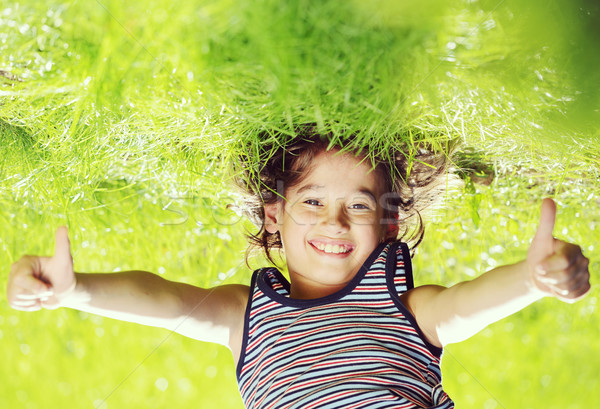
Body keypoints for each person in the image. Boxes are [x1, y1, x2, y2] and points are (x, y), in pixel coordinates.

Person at [6, 132, 591, 409]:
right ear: (274, 218)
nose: (335, 223)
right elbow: (164, 300)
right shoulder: (248, 319)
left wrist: (530, 279)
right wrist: (77, 291)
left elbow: (464, 307)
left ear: (387, 226)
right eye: (312, 202)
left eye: (358, 205)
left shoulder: (406, 309)